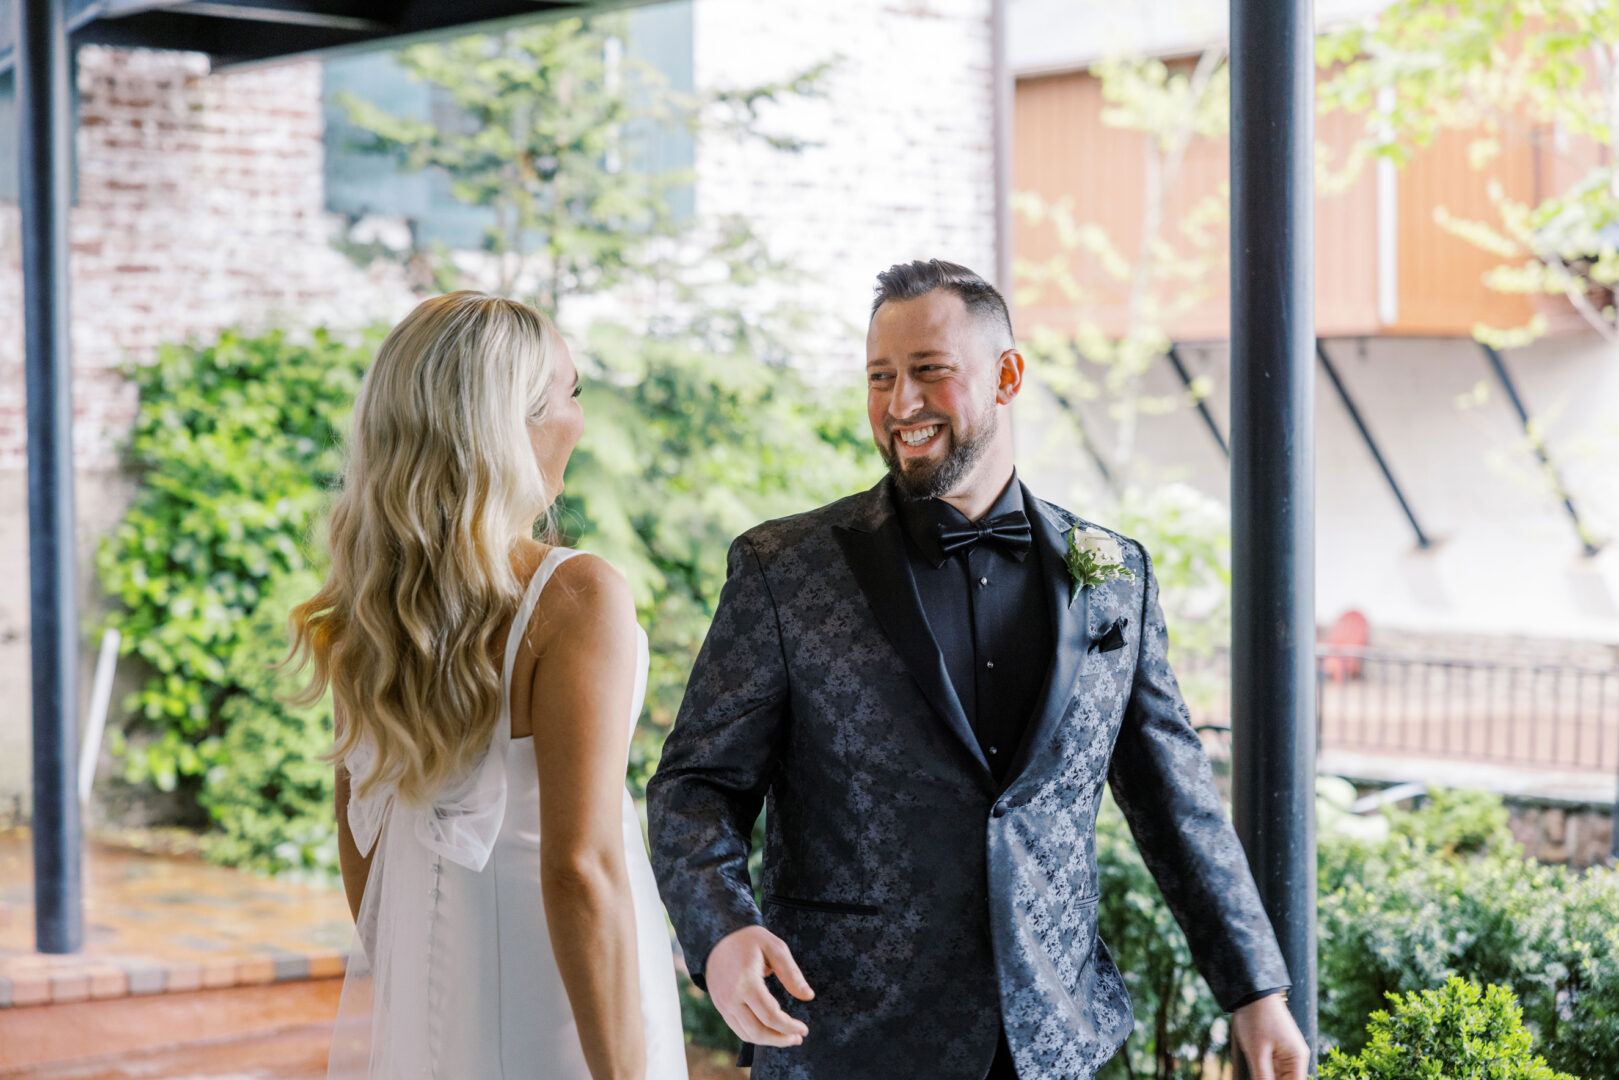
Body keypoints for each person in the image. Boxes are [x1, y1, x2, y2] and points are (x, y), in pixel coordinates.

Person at [646, 260, 1310, 1080]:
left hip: (1052, 1043)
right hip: (848, 1040)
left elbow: (1175, 803)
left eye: (929, 372)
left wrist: (1255, 993)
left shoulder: (1113, 576)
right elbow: (695, 786)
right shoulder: (784, 569)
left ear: (1006, 376)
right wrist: (721, 932)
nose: (899, 406)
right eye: (880, 378)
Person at [286, 292, 687, 1080]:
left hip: (443, 990)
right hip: (565, 1007)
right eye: (569, 395)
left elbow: (358, 840)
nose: (579, 419)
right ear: (512, 427)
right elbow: (580, 866)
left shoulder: (372, 602)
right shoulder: (578, 596)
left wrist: (418, 997)